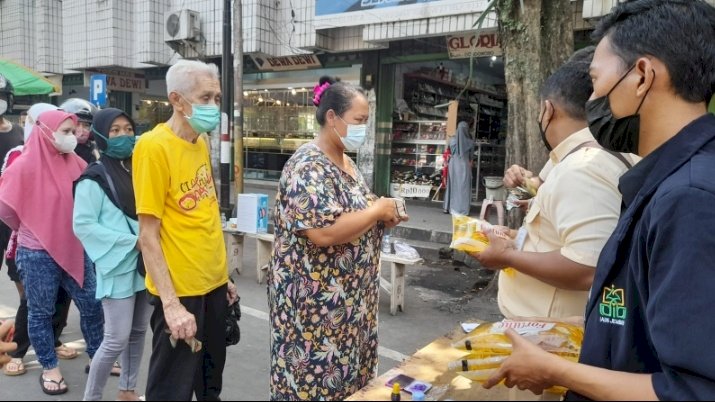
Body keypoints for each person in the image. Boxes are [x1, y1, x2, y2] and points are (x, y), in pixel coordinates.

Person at [483, 1, 715, 400]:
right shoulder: (667, 179)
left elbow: (691, 391)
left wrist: (555, 370)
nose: (591, 100)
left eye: (595, 80)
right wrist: (595, 325)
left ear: (641, 75)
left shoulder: (689, 198)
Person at [268, 76, 408, 401]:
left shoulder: (347, 164)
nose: (363, 129)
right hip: (315, 317)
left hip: (350, 313)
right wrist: (375, 212)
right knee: (313, 388)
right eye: (359, 121)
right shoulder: (306, 167)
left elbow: (356, 216)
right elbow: (323, 232)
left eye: (366, 122)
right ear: (332, 117)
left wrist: (384, 217)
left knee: (349, 390)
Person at [132, 59, 237, 401]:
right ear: (177, 100)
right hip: (180, 293)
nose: (213, 106)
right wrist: (172, 305)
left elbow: (204, 215)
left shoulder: (201, 140)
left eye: (217, 97)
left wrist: (223, 277)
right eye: (205, 97)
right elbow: (147, 236)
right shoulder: (153, 147)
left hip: (213, 286)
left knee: (210, 386)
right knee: (170, 390)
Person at [0, 109, 104, 395]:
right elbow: (6, 209)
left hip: (75, 247)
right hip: (36, 252)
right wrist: (33, 225)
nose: (72, 136)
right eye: (67, 131)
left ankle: (99, 355)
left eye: (74, 131)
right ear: (45, 131)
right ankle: (49, 366)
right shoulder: (22, 166)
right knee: (40, 312)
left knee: (92, 305)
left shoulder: (78, 163)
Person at [74, 108, 149, 401]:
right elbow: (83, 225)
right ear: (102, 136)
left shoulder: (139, 169)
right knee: (115, 338)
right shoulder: (93, 178)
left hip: (144, 263)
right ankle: (91, 397)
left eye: (128, 129)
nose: (123, 136)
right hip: (117, 264)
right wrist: (132, 242)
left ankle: (128, 390)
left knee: (139, 330)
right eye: (115, 130)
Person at [443, 121, 474, 215]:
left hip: (453, 164)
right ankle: (461, 209)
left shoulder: (452, 140)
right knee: (463, 188)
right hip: (464, 165)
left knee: (452, 185)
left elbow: (448, 152)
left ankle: (448, 207)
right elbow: (471, 158)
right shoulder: (470, 142)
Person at [60, 98, 99, 164]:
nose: (81, 129)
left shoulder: (94, 150)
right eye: (77, 124)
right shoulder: (60, 149)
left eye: (86, 125)